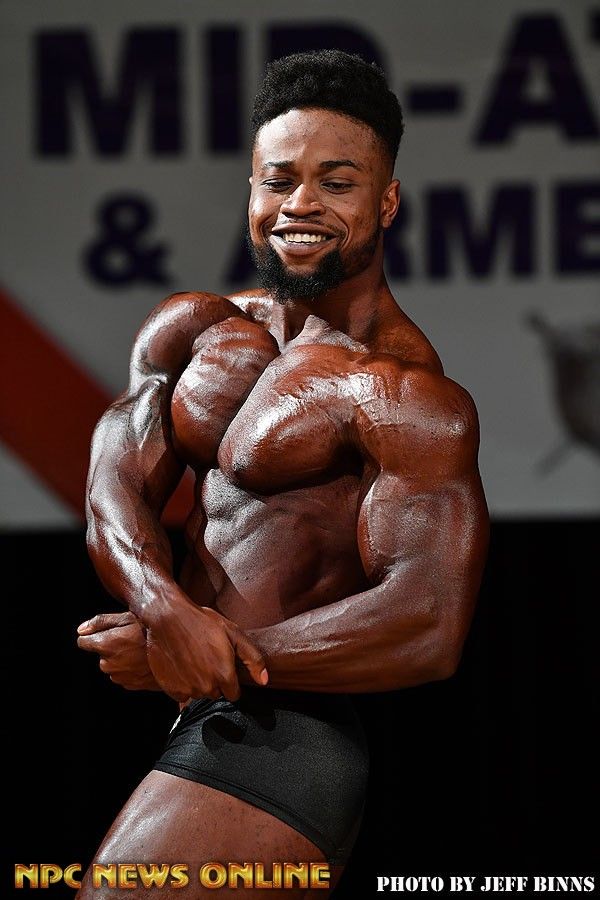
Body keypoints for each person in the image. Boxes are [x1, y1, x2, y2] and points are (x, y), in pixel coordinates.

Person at [76, 49, 489, 898]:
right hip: (207, 717)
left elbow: (429, 623)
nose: (301, 204)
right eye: (280, 180)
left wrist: (208, 654)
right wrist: (165, 613)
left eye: (337, 183)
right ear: (252, 191)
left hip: (285, 737)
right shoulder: (195, 328)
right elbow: (114, 487)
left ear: (387, 202)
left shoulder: (402, 392)